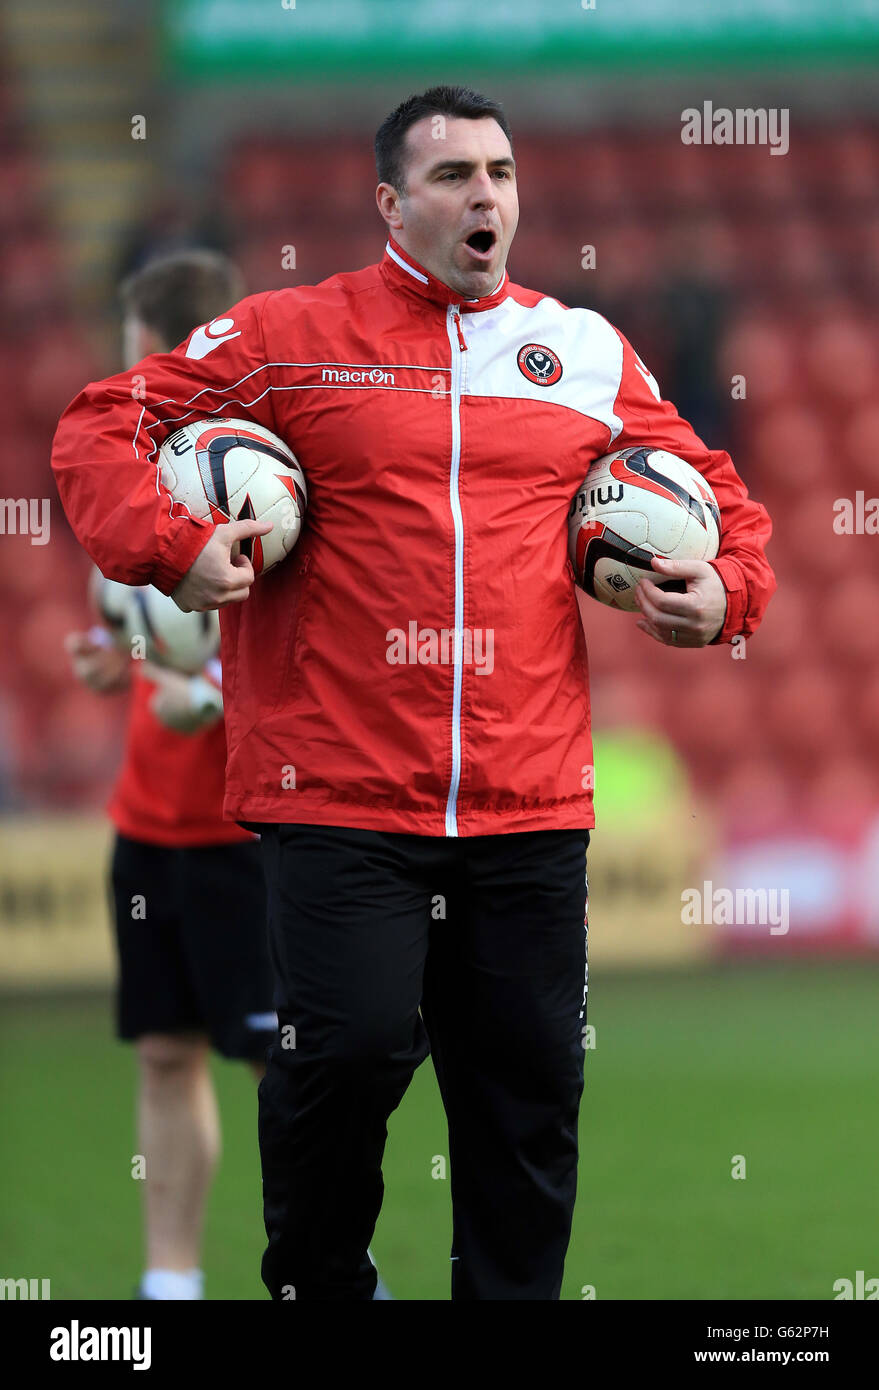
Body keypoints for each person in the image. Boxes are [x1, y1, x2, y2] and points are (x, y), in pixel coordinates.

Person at [52, 87, 776, 1301]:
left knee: (528, 1098)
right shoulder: (286, 335)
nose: (484, 195)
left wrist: (729, 590)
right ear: (392, 202)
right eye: (453, 176)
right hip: (338, 795)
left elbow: (723, 498)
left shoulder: (586, 351)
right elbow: (97, 428)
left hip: (528, 801)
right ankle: (321, 1284)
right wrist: (171, 543)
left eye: (498, 172)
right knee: (344, 1054)